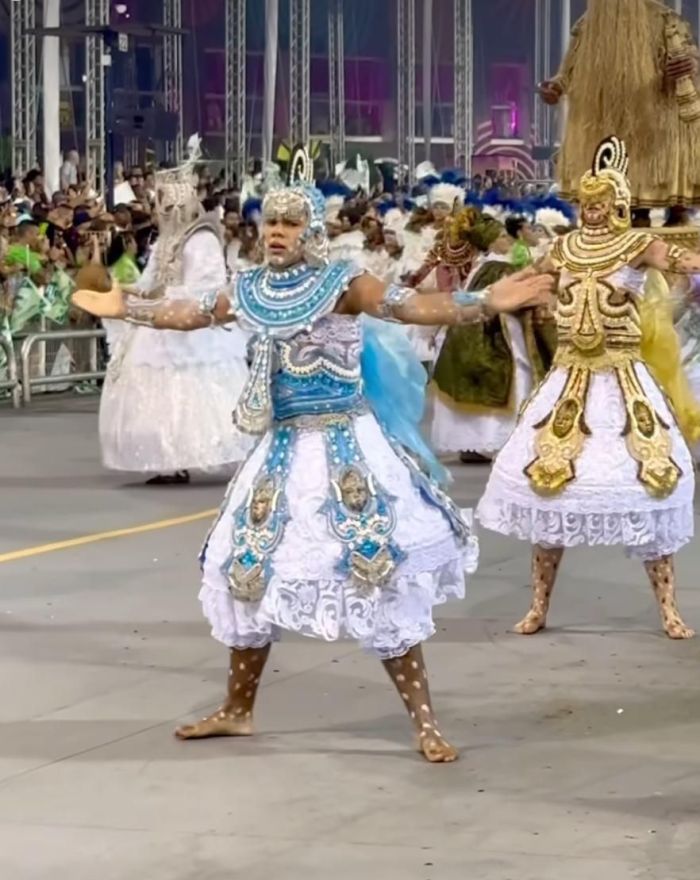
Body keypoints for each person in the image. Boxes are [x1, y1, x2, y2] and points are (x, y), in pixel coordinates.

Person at [72, 149, 553, 764]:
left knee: (375, 571)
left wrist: (484, 303)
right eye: (270, 222)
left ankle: (424, 721)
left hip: (347, 447)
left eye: (290, 224)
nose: (276, 233)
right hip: (278, 450)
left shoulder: (343, 285)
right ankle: (238, 710)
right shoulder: (249, 289)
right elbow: (189, 312)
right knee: (244, 569)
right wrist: (125, 307)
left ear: (312, 232)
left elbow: (409, 306)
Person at [477, 136, 700, 640]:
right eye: (586, 203)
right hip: (569, 377)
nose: (593, 212)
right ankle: (538, 605)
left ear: (619, 204)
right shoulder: (563, 247)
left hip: (623, 381)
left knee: (649, 488)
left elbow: (686, 262)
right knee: (546, 490)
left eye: (602, 204)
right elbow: (528, 281)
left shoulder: (638, 246)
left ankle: (668, 608)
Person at [92, 138, 251, 484]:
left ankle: (204, 450)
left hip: (192, 324)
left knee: (195, 387)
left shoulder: (203, 239)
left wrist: (162, 301)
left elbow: (206, 287)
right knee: (154, 390)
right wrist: (120, 291)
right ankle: (166, 459)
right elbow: (151, 283)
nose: (159, 211)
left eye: (164, 204)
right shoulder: (164, 241)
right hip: (159, 323)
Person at [540, 0, 700, 221]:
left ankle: (675, 215)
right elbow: (568, 72)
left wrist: (689, 67)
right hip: (608, 123)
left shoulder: (665, 20)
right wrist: (555, 88)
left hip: (656, 125)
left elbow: (688, 61)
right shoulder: (587, 26)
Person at [431, 212, 556, 460]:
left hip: (471, 331)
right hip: (498, 332)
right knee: (514, 378)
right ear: (489, 242)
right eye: (500, 236)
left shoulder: (482, 266)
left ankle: (476, 444)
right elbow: (508, 299)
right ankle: (499, 442)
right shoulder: (498, 266)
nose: (506, 239)